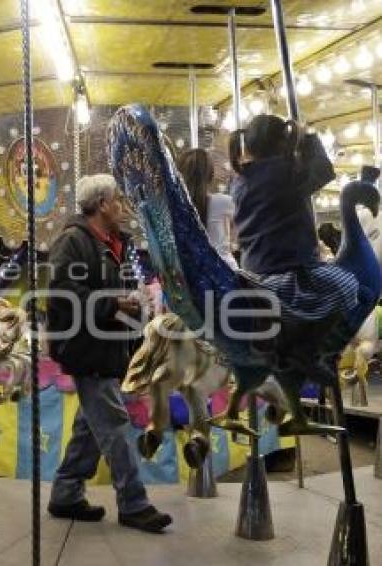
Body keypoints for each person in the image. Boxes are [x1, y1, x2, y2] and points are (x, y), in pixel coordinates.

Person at [45, 174, 173, 533]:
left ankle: (66, 494)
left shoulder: (112, 245)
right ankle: (134, 503)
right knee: (115, 426)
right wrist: (116, 302)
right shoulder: (73, 242)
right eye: (117, 199)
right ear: (101, 203)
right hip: (87, 350)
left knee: (90, 427)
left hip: (106, 348)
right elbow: (62, 295)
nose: (121, 206)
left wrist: (131, 306)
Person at [230, 114, 360, 372]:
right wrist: (308, 138)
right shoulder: (284, 172)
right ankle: (313, 349)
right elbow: (324, 169)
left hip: (254, 272)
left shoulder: (239, 181)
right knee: (350, 286)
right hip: (288, 273)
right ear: (282, 143)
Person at [177, 149, 238, 269]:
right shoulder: (224, 202)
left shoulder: (177, 208)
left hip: (193, 275)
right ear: (210, 175)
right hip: (227, 272)